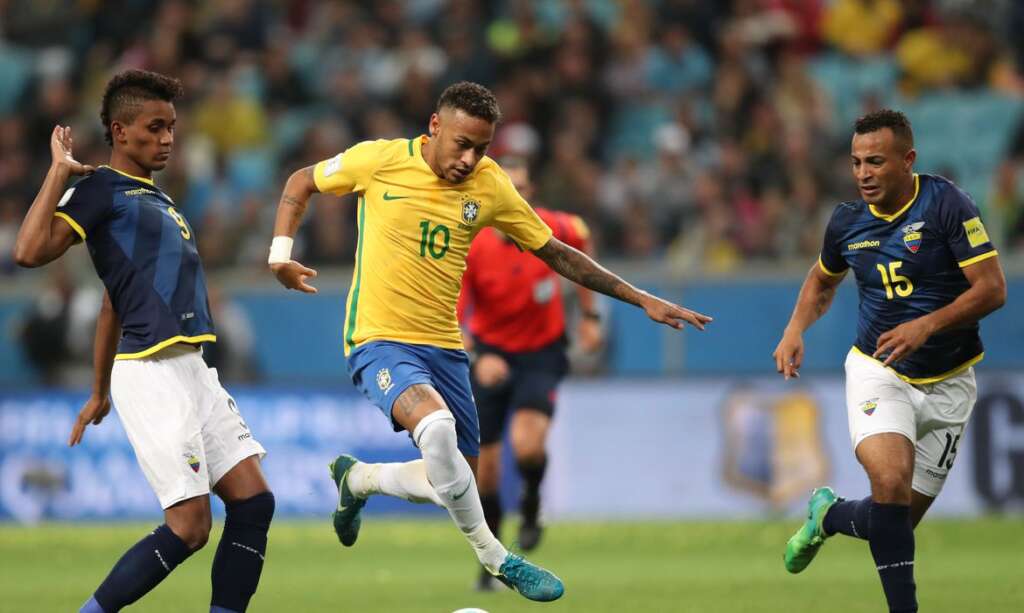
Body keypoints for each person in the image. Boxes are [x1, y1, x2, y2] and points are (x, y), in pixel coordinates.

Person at [268, 81, 711, 603]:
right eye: (462, 144)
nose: (469, 159)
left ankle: (360, 479)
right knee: (437, 430)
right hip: (379, 341)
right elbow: (301, 181)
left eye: (480, 149)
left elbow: (556, 252)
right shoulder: (378, 161)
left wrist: (639, 298)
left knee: (454, 482)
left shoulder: (490, 185)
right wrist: (280, 255)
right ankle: (497, 557)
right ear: (435, 126)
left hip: (445, 351)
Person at [13, 69, 273, 613]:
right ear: (120, 131)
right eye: (155, 128)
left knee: (254, 502)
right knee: (189, 527)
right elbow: (29, 251)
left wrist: (98, 391)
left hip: (192, 368)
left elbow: (113, 301)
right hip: (152, 372)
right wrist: (58, 173)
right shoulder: (99, 189)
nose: (167, 138)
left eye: (171, 127)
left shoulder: (158, 199)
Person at [773, 109, 1006, 613]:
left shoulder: (946, 204)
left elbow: (992, 289)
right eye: (856, 162)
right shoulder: (846, 222)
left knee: (893, 521)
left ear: (908, 160)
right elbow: (822, 280)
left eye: (875, 162)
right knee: (890, 484)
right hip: (879, 371)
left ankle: (827, 515)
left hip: (950, 382)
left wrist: (927, 325)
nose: (864, 174)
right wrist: (795, 328)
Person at [456, 155, 603, 591]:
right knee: (486, 472)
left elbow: (583, 238)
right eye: (507, 188)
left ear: (530, 194)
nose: (514, 196)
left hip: (541, 353)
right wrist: (478, 356)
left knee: (527, 446)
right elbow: (452, 317)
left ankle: (532, 501)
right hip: (491, 355)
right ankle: (492, 561)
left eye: (521, 189)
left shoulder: (551, 227)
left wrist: (590, 315)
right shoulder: (473, 245)